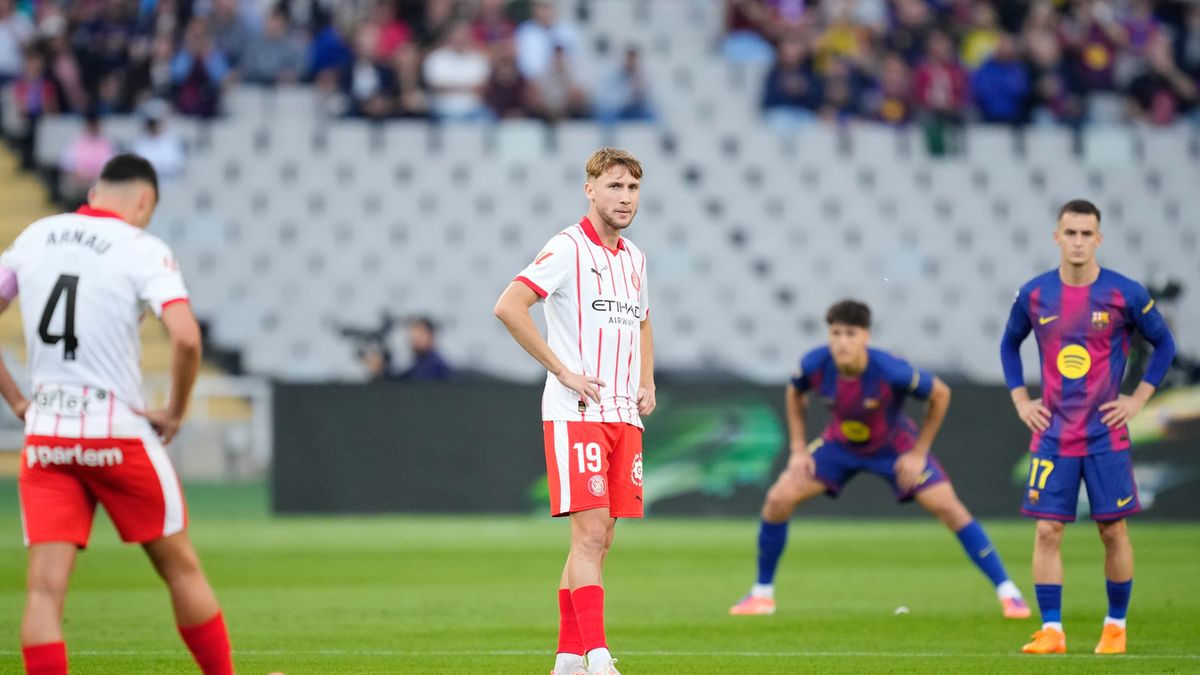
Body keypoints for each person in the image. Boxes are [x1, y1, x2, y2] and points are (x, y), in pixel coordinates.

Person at [0, 154, 234, 675]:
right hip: (117, 434)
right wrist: (174, 411)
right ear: (144, 200)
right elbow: (187, 338)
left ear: (96, 189)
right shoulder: (142, 248)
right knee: (181, 570)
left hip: (47, 437)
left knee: (43, 591)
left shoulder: (37, 235)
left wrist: (18, 400)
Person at [730, 300, 1030, 620]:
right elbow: (794, 392)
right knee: (778, 498)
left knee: (949, 508)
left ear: (866, 337)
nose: (842, 341)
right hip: (839, 446)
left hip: (894, 449)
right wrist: (798, 449)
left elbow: (940, 394)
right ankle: (762, 595)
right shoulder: (815, 363)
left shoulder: (889, 369)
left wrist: (919, 453)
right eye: (835, 333)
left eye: (850, 333)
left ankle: (1008, 592)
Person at [493, 148, 655, 675]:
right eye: (614, 187)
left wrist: (646, 378)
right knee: (588, 534)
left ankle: (566, 657)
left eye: (631, 188)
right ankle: (598, 656)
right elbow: (509, 306)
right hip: (577, 410)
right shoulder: (567, 248)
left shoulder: (635, 258)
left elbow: (643, 322)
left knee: (603, 537)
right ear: (590, 189)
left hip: (623, 415)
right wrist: (562, 370)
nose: (624, 198)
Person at [1000, 199, 1176, 656]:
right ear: (1056, 238)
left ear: (1099, 239)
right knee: (1046, 532)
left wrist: (1138, 398)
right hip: (1053, 432)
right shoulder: (1035, 294)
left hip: (1104, 434)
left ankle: (1115, 628)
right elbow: (1008, 344)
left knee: (1112, 530)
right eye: (1070, 233)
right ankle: (1052, 631)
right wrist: (1021, 399)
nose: (1078, 241)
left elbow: (1164, 344)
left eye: (1086, 234)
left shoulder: (1125, 293)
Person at [398, 316, 452, 381]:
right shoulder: (417, 365)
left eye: (419, 334)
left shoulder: (435, 367)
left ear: (430, 335)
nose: (414, 339)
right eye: (413, 336)